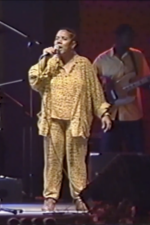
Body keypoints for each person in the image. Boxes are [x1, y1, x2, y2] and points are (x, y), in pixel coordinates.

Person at [28, 28, 112, 212]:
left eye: (63, 39)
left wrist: (104, 113)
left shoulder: (84, 65)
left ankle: (80, 197)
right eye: (56, 38)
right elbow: (36, 83)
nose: (59, 42)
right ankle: (50, 198)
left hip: (76, 117)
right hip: (53, 118)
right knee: (52, 160)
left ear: (73, 44)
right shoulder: (50, 63)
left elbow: (95, 92)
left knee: (77, 160)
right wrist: (44, 59)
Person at [93, 24, 150, 154]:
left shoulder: (137, 56)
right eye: (128, 37)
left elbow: (145, 80)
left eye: (132, 37)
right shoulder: (102, 59)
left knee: (137, 156)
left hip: (133, 115)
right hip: (111, 115)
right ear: (118, 38)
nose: (131, 40)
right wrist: (105, 84)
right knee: (109, 157)